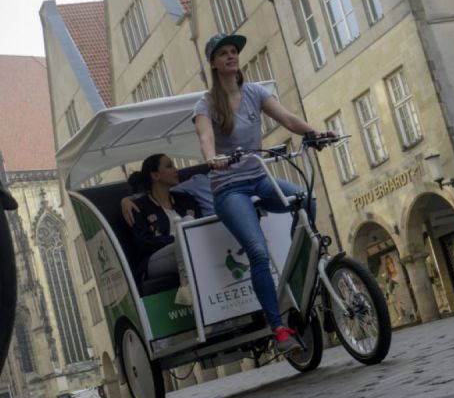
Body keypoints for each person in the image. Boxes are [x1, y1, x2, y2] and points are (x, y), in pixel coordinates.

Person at [193, 32, 333, 354]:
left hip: (259, 177)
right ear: (214, 63)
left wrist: (316, 134)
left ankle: (300, 275)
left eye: (234, 52)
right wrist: (212, 159)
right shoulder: (206, 104)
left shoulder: (254, 92)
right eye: (223, 53)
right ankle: (278, 327)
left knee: (305, 200)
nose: (231, 56)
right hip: (229, 188)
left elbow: (287, 118)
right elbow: (205, 138)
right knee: (257, 251)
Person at [126, 154, 202, 290]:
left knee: (188, 237)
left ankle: (187, 285)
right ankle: (188, 285)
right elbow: (143, 243)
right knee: (186, 230)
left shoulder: (186, 200)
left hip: (188, 249)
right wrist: (177, 238)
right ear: (155, 175)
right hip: (154, 259)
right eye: (169, 166)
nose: (175, 169)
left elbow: (201, 227)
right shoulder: (139, 207)